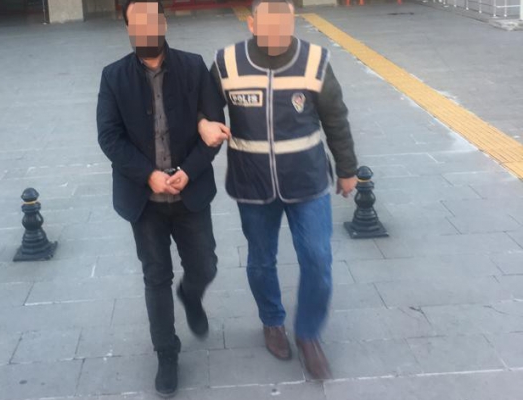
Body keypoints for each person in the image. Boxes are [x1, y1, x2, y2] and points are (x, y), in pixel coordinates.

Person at [198, 0, 358, 379]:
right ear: (252, 24)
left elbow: (335, 117)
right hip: (252, 182)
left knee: (317, 258)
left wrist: (347, 168)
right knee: (260, 259)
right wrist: (204, 122)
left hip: (307, 180)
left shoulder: (315, 60)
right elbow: (204, 107)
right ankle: (272, 321)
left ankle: (308, 333)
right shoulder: (227, 62)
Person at [96, 0, 225, 397]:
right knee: (156, 277)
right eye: (136, 23)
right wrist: (148, 175)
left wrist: (191, 170)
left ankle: (191, 294)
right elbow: (109, 137)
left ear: (164, 23)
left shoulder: (193, 66)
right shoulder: (113, 76)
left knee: (205, 264)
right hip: (144, 200)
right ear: (128, 29)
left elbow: (214, 127)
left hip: (190, 193)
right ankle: (166, 353)